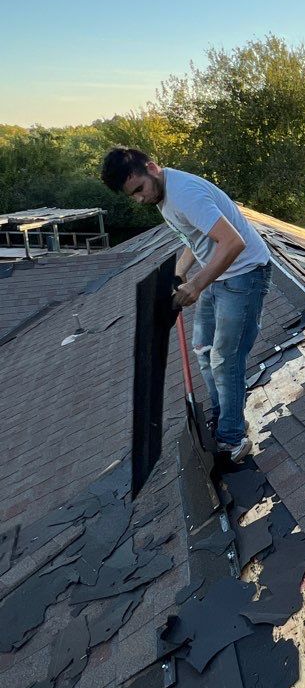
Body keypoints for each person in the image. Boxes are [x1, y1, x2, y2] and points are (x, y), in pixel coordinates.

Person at [101, 148, 271, 463]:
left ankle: (232, 439)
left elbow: (233, 242)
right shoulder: (164, 195)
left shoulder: (184, 194)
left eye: (140, 189)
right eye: (132, 195)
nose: (139, 199)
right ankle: (227, 416)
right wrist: (180, 272)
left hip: (245, 274)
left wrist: (196, 284)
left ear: (152, 167)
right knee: (204, 350)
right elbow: (196, 237)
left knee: (226, 358)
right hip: (220, 275)